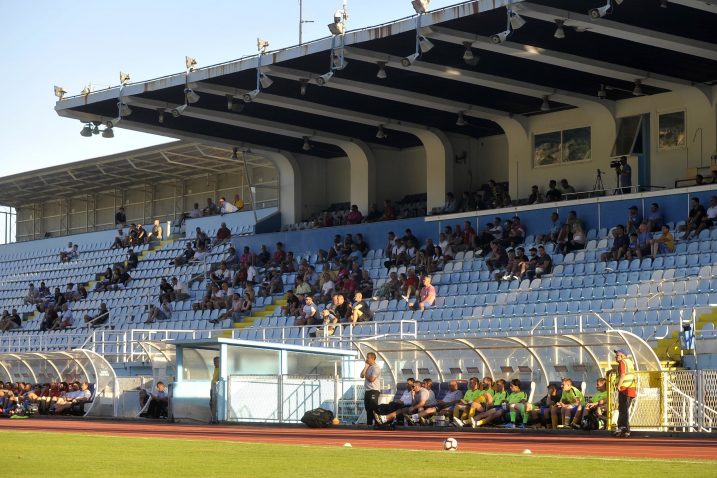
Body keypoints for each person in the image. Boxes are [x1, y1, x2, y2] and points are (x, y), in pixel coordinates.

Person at [614, 349, 636, 437]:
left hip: (625, 388)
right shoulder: (629, 362)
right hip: (630, 388)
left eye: (617, 355)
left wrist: (619, 385)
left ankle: (625, 428)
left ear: (622, 356)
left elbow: (623, 375)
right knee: (623, 409)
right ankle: (622, 427)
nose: (616, 357)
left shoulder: (622, 362)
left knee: (623, 409)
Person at [361, 352, 381, 427]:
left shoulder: (376, 368)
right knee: (367, 408)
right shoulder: (368, 367)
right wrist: (365, 367)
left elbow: (372, 379)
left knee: (373, 406)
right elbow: (361, 375)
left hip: (374, 390)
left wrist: (365, 374)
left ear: (373, 359)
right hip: (367, 390)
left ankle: (378, 422)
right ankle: (369, 424)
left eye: (368, 358)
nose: (366, 359)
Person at [210, 356, 220, 424]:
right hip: (212, 388)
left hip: (216, 390)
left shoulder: (221, 369)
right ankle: (214, 418)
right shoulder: (215, 368)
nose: (214, 363)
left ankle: (216, 419)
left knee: (215, 404)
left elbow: (220, 379)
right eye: (214, 362)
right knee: (211, 403)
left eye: (216, 362)